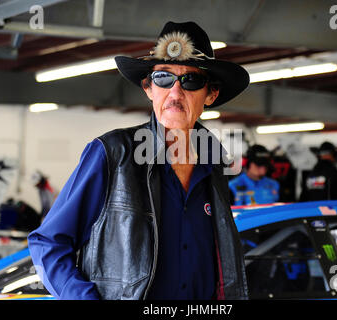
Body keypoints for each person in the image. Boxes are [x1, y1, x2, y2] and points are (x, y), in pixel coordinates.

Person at [27, 21, 249, 300]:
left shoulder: (215, 164)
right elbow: (47, 243)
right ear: (148, 88)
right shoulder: (112, 154)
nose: (175, 93)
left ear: (211, 94)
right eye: (163, 79)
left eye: (191, 81)